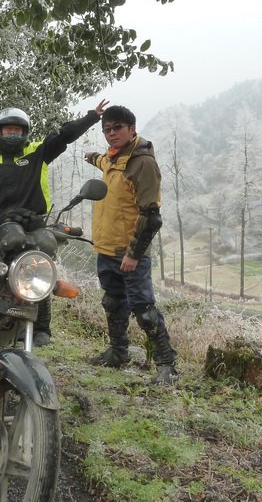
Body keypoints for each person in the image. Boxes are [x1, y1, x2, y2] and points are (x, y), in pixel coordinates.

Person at [0, 100, 109, 346]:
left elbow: (65, 135)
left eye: (17, 130)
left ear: (25, 132)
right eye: (7, 129)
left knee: (42, 257)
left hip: (34, 221)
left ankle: (40, 328)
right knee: (6, 249)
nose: (12, 133)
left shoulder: (37, 152)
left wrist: (92, 117)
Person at [83, 105, 178, 385]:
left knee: (144, 310)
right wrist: (90, 156)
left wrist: (134, 254)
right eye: (107, 129)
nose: (111, 134)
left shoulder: (142, 162)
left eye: (117, 128)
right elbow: (102, 161)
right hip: (106, 248)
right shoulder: (114, 158)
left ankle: (167, 364)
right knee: (113, 302)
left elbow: (152, 216)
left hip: (129, 252)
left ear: (132, 129)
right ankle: (118, 352)